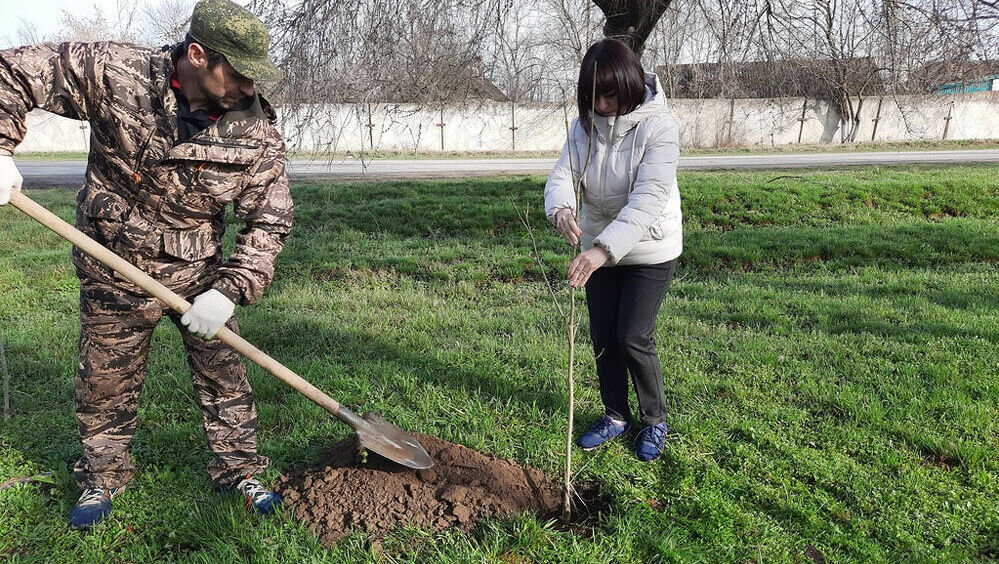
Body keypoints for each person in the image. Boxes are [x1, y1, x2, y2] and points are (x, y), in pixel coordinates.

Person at [0, 0, 293, 528]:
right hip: (110, 263)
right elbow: (10, 71)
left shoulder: (257, 132)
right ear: (199, 55)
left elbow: (268, 222)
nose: (251, 89)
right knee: (105, 378)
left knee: (224, 374)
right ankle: (101, 478)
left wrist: (230, 289)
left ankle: (241, 471)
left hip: (197, 274)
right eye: (241, 74)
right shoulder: (116, 73)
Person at [544, 38, 682, 462]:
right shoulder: (583, 125)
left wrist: (603, 250)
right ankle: (616, 415)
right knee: (603, 335)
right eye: (592, 96)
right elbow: (563, 173)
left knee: (632, 336)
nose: (601, 105)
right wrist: (563, 210)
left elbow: (648, 199)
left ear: (628, 85)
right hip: (596, 247)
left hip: (649, 248)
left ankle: (654, 421)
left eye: (608, 94)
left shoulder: (659, 128)